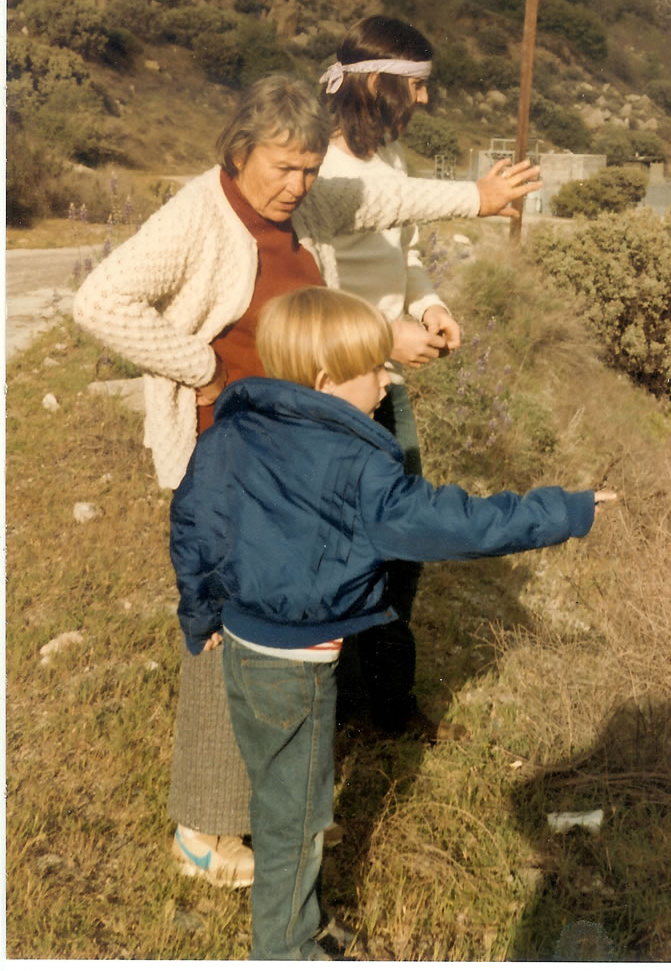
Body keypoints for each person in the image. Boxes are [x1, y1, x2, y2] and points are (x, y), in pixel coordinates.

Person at [73, 74, 542, 890]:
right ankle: (203, 830)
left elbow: (382, 200)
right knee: (224, 627)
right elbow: (99, 301)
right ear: (239, 151)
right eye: (281, 168)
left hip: (287, 453)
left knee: (277, 624)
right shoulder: (198, 215)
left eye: (309, 170)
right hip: (229, 455)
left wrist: (478, 196)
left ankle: (260, 785)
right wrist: (206, 364)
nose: (296, 186)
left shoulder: (310, 205)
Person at [169, 285, 617, 961]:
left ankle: (295, 921)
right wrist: (566, 510)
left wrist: (201, 609)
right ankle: (285, 948)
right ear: (324, 381)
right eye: (375, 368)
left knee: (278, 798)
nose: (387, 382)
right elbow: (460, 523)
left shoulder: (235, 432)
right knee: (297, 820)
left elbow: (195, 522)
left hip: (242, 649)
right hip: (297, 669)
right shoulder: (361, 467)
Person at [318, 15, 466, 738]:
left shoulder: (390, 164)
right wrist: (382, 338)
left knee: (401, 536)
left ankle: (389, 700)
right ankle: (339, 697)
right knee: (342, 543)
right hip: (334, 382)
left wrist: (430, 303)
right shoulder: (318, 171)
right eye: (418, 85)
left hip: (388, 382)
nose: (426, 101)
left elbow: (404, 257)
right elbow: (309, 296)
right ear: (377, 82)